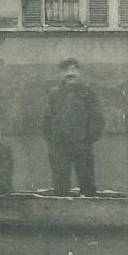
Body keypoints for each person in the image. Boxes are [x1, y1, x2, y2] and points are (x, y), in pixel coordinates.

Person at [43, 58, 104, 196]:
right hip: (59, 145)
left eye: (73, 70)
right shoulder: (54, 94)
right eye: (66, 71)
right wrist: (53, 141)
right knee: (60, 182)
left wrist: (88, 138)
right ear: (61, 73)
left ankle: (89, 209)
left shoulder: (88, 93)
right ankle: (61, 210)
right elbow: (46, 120)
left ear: (79, 72)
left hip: (82, 144)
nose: (70, 74)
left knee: (86, 180)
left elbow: (97, 119)